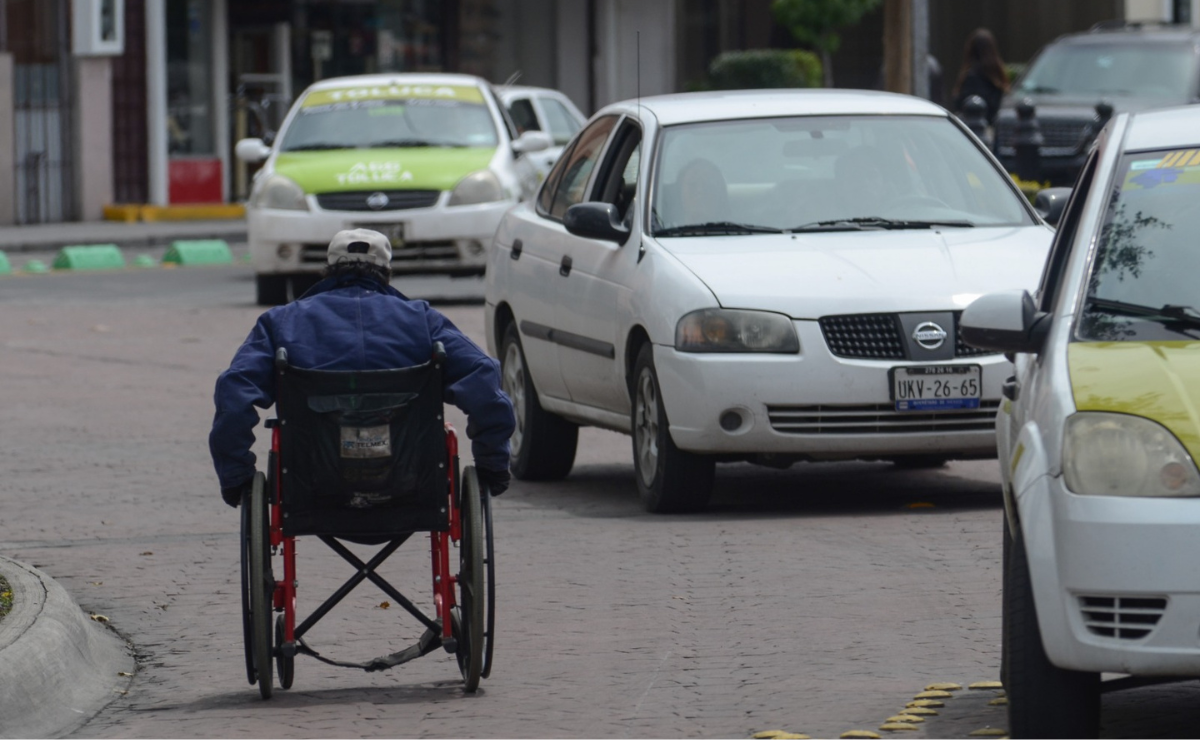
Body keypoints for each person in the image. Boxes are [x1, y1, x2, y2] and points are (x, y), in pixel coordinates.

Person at [210, 229, 516, 507]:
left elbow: (235, 392)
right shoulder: (423, 321)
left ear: (328, 270)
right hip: (411, 482)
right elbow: (482, 376)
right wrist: (492, 462)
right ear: (386, 273)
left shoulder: (281, 323)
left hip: (312, 484)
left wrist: (237, 476)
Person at [952, 28, 1010, 126]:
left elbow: (960, 104)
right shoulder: (997, 77)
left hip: (973, 129)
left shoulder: (970, 78)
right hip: (993, 129)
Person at [674, 158, 728, 226]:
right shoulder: (664, 233)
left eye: (708, 185)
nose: (700, 191)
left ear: (720, 195)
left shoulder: (739, 235)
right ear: (680, 192)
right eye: (692, 184)